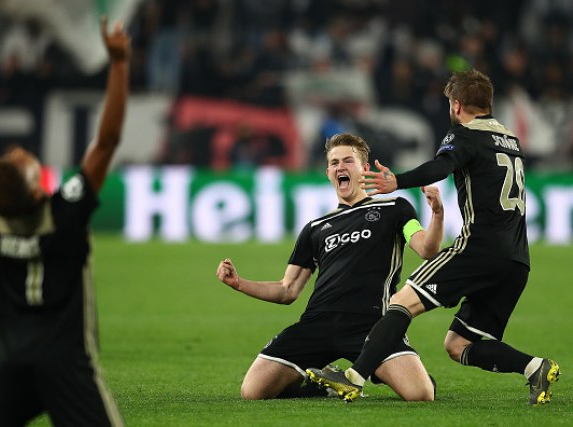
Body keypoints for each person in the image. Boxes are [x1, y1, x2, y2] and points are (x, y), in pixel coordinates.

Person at [307, 69, 560, 406]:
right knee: (459, 344)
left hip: (478, 250)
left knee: (401, 302)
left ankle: (353, 378)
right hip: (516, 260)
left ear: (456, 105)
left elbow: (441, 168)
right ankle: (535, 368)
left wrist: (398, 181)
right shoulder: (510, 139)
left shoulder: (465, 134)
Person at [0, 17, 129, 425]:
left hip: (13, 366)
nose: (19, 152)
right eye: (22, 162)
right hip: (68, 367)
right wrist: (119, 64)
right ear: (37, 191)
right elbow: (107, 141)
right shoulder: (65, 215)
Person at [216, 132, 444, 401]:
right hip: (318, 324)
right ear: (328, 173)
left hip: (371, 325)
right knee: (253, 391)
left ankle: (385, 370)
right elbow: (287, 290)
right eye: (334, 163)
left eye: (348, 161)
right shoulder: (315, 228)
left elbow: (427, 249)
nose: (340, 167)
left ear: (364, 169)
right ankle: (318, 385)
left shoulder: (395, 209)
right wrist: (239, 284)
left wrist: (437, 214)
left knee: (421, 394)